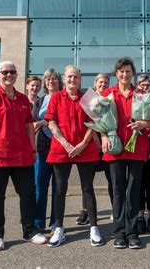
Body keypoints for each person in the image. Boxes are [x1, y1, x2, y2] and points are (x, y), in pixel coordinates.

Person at [0, 61, 47, 251]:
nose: (9, 75)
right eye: (5, 72)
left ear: (16, 76)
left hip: (23, 155)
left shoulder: (23, 99)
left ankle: (30, 230)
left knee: (28, 194)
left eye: (12, 72)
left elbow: (28, 127)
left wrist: (33, 150)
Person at [45, 65, 103, 247]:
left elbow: (94, 123)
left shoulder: (89, 98)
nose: (72, 80)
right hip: (62, 148)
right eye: (69, 77)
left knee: (88, 188)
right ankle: (59, 229)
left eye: (76, 77)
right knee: (60, 189)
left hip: (84, 148)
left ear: (80, 79)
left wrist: (83, 144)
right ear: (64, 79)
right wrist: (66, 144)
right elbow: (52, 123)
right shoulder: (55, 97)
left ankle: (94, 228)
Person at [101, 57, 150, 249]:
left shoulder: (141, 94)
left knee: (133, 191)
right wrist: (104, 136)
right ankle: (119, 233)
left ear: (133, 74)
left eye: (128, 71)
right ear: (116, 73)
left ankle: (132, 233)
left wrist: (143, 123)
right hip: (115, 148)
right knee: (118, 190)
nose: (124, 74)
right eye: (121, 71)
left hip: (136, 147)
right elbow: (99, 120)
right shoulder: (107, 94)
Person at [76, 72, 114, 225]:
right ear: (95, 83)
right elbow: (86, 123)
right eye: (100, 82)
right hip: (91, 145)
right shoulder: (87, 99)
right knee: (87, 182)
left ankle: (115, 209)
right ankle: (86, 211)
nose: (103, 85)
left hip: (108, 145)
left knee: (112, 179)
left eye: (106, 82)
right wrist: (96, 140)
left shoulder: (110, 99)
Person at [31, 68, 62, 231]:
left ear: (59, 81)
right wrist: (42, 122)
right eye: (48, 79)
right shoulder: (39, 101)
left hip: (59, 149)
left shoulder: (64, 99)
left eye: (54, 79)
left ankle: (56, 222)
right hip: (42, 149)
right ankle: (38, 223)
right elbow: (31, 125)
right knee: (40, 186)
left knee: (58, 188)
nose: (51, 81)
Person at [136, 74, 150, 235]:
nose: (145, 87)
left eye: (147, 85)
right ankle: (139, 217)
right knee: (138, 185)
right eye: (142, 85)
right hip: (136, 149)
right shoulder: (133, 103)